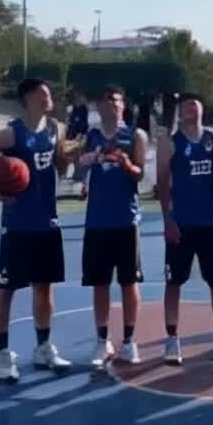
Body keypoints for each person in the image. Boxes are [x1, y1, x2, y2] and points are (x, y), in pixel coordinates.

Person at [0, 78, 71, 384]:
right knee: (7, 289)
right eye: (43, 93)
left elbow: (59, 165)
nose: (48, 97)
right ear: (28, 98)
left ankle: (43, 347)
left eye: (49, 93)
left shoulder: (56, 129)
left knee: (44, 287)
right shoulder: (11, 133)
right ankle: (3, 354)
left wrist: (68, 161)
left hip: (47, 221)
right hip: (17, 224)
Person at [157, 92, 213, 364]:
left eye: (195, 102)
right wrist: (168, 220)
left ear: (202, 107)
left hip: (208, 223)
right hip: (181, 223)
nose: (191, 106)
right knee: (174, 282)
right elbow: (162, 183)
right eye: (186, 104)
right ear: (180, 112)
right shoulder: (171, 143)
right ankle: (172, 340)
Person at [79, 86, 147, 368]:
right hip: (97, 219)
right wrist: (94, 157)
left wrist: (127, 163)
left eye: (118, 100)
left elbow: (140, 174)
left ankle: (129, 341)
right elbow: (79, 164)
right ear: (100, 106)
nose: (114, 104)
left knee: (129, 282)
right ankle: (102, 340)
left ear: (123, 106)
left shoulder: (134, 135)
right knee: (100, 283)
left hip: (125, 218)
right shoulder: (92, 136)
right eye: (108, 100)